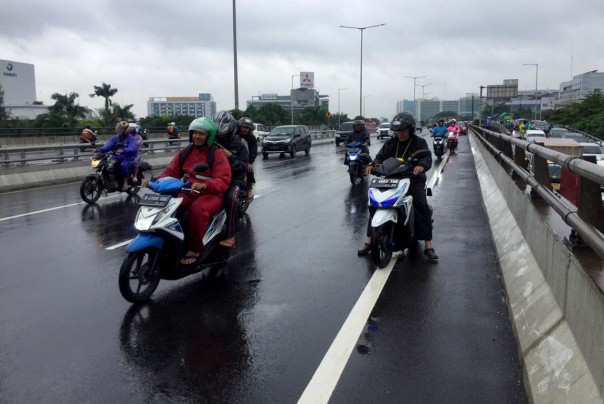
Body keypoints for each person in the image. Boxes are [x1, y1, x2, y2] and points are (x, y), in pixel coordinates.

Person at [358, 112, 438, 260]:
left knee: (422, 207)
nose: (400, 134)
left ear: (410, 130)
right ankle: (369, 241)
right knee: (376, 204)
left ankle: (428, 244)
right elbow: (380, 157)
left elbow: (426, 157)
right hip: (391, 179)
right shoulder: (390, 143)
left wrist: (421, 166)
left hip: (413, 179)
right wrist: (372, 165)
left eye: (403, 131)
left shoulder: (419, 142)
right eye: (397, 131)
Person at [153, 117, 232, 265]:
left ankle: (195, 249)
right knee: (171, 205)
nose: (197, 136)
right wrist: (154, 181)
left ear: (209, 136)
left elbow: (224, 180)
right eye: (195, 133)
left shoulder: (217, 154)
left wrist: (206, 185)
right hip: (188, 189)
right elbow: (170, 172)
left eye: (201, 133)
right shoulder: (185, 152)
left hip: (211, 194)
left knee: (197, 210)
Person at [213, 110, 249, 248]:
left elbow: (242, 168)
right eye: (218, 134)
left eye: (224, 134)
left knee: (231, 198)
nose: (221, 137)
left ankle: (230, 234)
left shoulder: (241, 144)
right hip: (215, 177)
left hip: (235, 179)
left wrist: (230, 156)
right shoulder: (211, 142)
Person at [97, 121, 139, 190]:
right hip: (116, 157)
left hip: (128, 158)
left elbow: (133, 148)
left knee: (123, 165)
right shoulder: (115, 138)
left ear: (126, 130)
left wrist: (124, 150)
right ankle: (110, 181)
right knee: (107, 165)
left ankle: (125, 182)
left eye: (121, 129)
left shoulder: (131, 138)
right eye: (118, 128)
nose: (119, 130)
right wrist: (100, 149)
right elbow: (108, 145)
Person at [238, 117, 257, 200]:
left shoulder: (252, 138)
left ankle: (249, 189)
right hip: (235, 157)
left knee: (249, 170)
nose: (245, 129)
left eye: (247, 128)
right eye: (243, 127)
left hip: (246, 160)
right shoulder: (235, 136)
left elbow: (253, 151)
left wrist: (250, 162)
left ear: (250, 129)